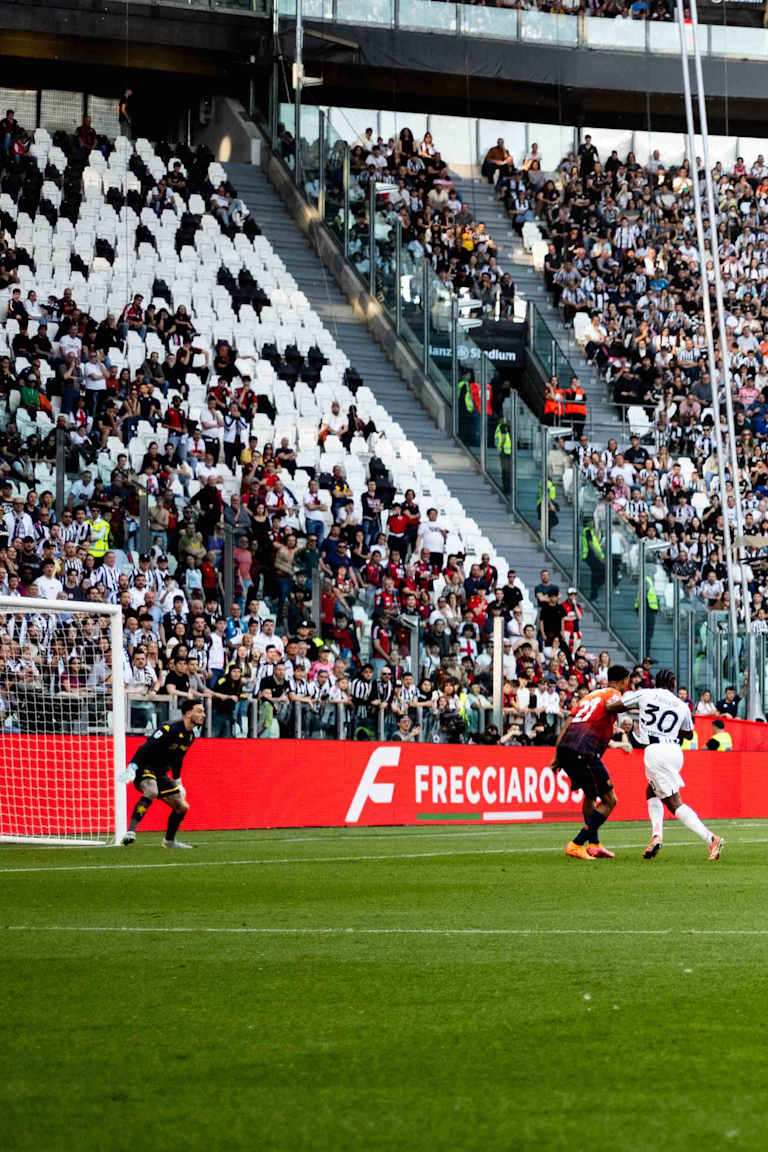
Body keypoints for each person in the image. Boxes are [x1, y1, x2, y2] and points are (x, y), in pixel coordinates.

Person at [623, 669, 724, 861]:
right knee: (651, 791)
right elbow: (688, 734)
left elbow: (619, 705)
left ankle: (711, 838)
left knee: (674, 802)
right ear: (673, 684)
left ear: (655, 682)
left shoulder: (646, 693)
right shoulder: (681, 704)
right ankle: (656, 836)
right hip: (675, 752)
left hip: (655, 751)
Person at [552, 665, 630, 860]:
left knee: (589, 795)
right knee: (610, 800)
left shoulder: (590, 696)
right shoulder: (614, 694)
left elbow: (568, 723)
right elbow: (612, 706)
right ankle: (576, 843)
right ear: (624, 681)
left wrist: (557, 755)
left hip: (567, 748)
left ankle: (593, 844)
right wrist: (634, 704)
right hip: (584, 750)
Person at [121, 697, 205, 848]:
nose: (203, 715)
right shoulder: (168, 728)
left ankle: (169, 841)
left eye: (203, 711)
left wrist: (178, 782)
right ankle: (130, 832)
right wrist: (132, 767)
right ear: (187, 714)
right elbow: (145, 747)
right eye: (199, 711)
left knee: (182, 806)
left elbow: (178, 759)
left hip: (161, 773)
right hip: (145, 766)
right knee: (152, 791)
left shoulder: (191, 737)